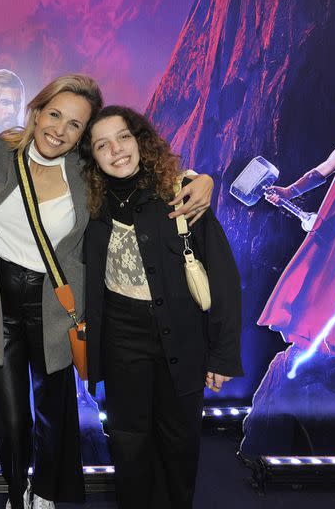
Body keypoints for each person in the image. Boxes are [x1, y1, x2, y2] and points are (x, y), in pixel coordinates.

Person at [0, 77, 214, 509]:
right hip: (0, 306)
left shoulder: (87, 172)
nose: (60, 130)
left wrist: (198, 178)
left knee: (55, 415)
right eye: (54, 115)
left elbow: (141, 174)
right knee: (11, 422)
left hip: (55, 309)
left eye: (74, 124)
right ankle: (16, 493)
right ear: (35, 112)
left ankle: (45, 492)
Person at [81, 106, 242, 508]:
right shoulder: (88, 206)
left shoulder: (182, 193)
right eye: (102, 145)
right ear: (92, 157)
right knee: (129, 445)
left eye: (123, 137)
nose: (116, 150)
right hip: (121, 340)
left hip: (182, 338)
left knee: (179, 443)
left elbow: (223, 277)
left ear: (141, 141)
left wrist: (222, 355)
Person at [260, 99, 335, 357]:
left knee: (334, 276)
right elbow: (325, 169)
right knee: (334, 278)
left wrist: (290, 191)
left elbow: (324, 170)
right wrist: (289, 192)